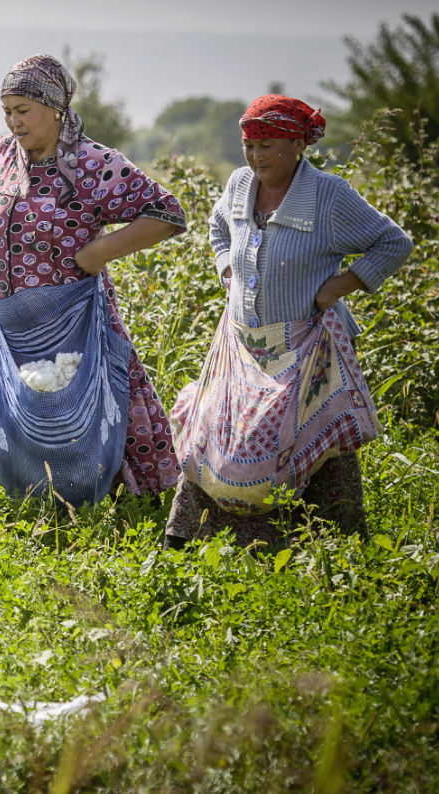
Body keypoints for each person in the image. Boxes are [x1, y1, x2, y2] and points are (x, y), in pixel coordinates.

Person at [163, 94, 412, 550]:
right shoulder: (239, 185)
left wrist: (338, 287)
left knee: (311, 447)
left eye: (269, 144)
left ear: (298, 144)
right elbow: (220, 228)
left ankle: (326, 548)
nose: (256, 156)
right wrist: (226, 268)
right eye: (249, 144)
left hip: (308, 345)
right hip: (242, 348)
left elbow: (393, 243)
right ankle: (189, 541)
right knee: (215, 436)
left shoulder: (328, 196)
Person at [0, 53, 186, 515]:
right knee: (8, 409)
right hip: (9, 327)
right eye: (7, 111)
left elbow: (167, 214)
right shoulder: (2, 156)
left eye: (23, 110)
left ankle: (126, 504)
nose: (13, 121)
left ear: (56, 109)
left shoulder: (93, 163)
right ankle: (7, 503)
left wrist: (100, 252)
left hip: (74, 321)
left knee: (91, 404)